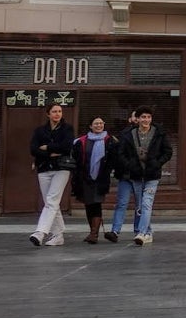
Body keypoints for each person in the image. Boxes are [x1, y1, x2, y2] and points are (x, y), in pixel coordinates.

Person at [116, 106, 174, 246]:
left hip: (152, 175)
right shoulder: (130, 134)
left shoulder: (159, 133)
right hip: (136, 174)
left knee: (147, 203)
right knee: (140, 205)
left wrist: (157, 163)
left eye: (148, 117)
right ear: (138, 119)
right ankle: (147, 232)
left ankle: (142, 233)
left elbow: (168, 151)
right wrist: (130, 165)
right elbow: (121, 153)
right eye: (143, 117)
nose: (146, 120)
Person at [29, 102, 75, 247]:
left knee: (51, 200)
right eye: (54, 111)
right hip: (43, 169)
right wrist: (52, 153)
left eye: (60, 111)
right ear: (48, 114)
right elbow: (34, 149)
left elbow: (67, 146)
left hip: (61, 168)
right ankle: (58, 235)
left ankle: (40, 232)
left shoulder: (67, 129)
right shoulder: (39, 131)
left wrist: (47, 147)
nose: (57, 114)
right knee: (51, 203)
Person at [71, 117, 119, 244]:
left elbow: (113, 160)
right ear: (90, 126)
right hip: (84, 177)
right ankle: (92, 230)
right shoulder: (81, 141)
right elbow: (76, 159)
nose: (99, 125)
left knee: (96, 203)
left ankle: (94, 234)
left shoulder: (110, 141)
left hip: (100, 177)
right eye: (96, 123)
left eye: (101, 123)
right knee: (88, 204)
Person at [106, 110, 139, 242]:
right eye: (135, 116)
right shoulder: (124, 133)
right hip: (125, 174)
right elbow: (119, 153)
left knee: (140, 206)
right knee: (121, 203)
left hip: (140, 175)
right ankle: (115, 231)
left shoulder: (150, 133)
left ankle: (139, 231)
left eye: (140, 116)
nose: (137, 119)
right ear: (130, 119)